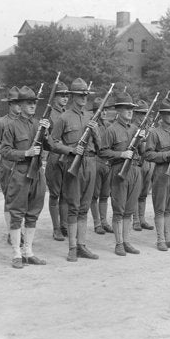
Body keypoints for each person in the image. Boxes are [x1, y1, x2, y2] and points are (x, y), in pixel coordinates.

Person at [47, 77, 100, 262]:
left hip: (90, 163)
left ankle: (82, 245)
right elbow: (52, 142)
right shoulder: (63, 117)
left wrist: (96, 131)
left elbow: (99, 146)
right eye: (80, 95)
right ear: (72, 96)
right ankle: (72, 247)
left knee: (84, 207)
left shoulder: (90, 117)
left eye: (85, 95)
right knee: (73, 207)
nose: (84, 98)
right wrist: (70, 149)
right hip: (73, 164)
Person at [0, 85, 48, 268]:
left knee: (33, 213)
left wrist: (47, 131)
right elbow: (5, 150)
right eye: (28, 103)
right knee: (17, 214)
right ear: (20, 104)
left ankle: (28, 252)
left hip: (37, 173)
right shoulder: (11, 126)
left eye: (34, 103)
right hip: (20, 173)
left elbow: (49, 145)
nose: (32, 106)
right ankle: (17, 254)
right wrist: (25, 153)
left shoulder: (38, 124)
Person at [98, 92, 142, 256]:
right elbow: (102, 152)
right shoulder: (111, 130)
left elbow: (143, 152)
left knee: (130, 209)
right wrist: (120, 155)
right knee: (119, 209)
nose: (130, 111)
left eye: (131, 108)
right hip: (119, 171)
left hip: (135, 170)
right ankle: (118, 244)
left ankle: (127, 242)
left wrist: (142, 140)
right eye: (126, 108)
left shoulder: (136, 129)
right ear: (118, 110)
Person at [141, 101, 170, 252]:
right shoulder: (154, 133)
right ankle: (160, 240)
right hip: (161, 172)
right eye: (169, 114)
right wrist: (166, 154)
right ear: (162, 115)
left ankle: (169, 238)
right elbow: (148, 154)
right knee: (160, 208)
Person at [0, 87, 22, 242]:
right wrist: (9, 152)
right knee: (10, 199)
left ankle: (20, 231)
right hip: (9, 166)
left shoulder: (26, 122)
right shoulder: (1, 123)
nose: (19, 106)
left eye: (20, 103)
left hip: (25, 166)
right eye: (16, 103)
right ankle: (11, 232)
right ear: (9, 104)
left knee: (24, 199)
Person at [43, 82, 71, 243]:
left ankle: (64, 224)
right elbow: (46, 139)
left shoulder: (68, 114)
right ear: (55, 97)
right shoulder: (49, 114)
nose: (65, 98)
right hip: (54, 156)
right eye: (62, 95)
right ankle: (56, 228)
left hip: (67, 156)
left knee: (66, 194)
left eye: (67, 96)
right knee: (55, 194)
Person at [91, 93, 116, 234]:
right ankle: (97, 223)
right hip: (96, 162)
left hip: (108, 163)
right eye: (102, 110)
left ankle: (104, 221)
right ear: (96, 112)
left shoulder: (109, 125)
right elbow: (100, 147)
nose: (105, 112)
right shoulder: (92, 126)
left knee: (105, 194)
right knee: (94, 195)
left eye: (106, 109)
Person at [133, 99, 155, 232]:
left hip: (148, 162)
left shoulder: (148, 128)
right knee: (136, 192)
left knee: (144, 193)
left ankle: (142, 219)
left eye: (145, 113)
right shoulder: (133, 127)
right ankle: (135, 220)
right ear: (136, 114)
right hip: (138, 163)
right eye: (141, 113)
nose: (144, 116)